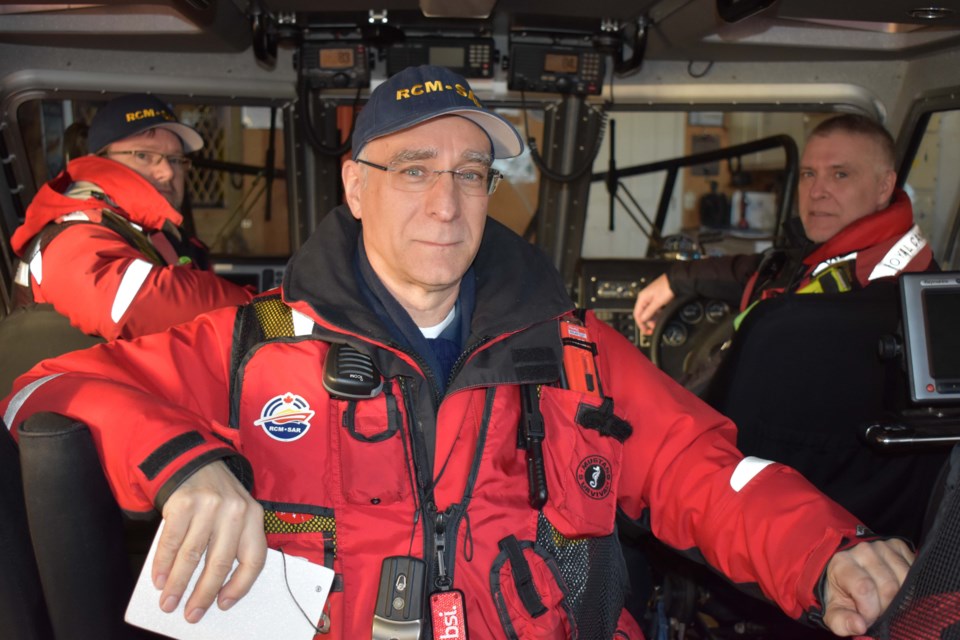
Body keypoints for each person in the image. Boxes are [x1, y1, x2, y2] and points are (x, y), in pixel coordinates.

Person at [2, 67, 912, 639]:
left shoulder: (574, 350)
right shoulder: (254, 344)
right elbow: (44, 387)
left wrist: (831, 553)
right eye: (414, 169)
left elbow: (710, 472)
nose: (447, 202)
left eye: (470, 174)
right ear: (356, 186)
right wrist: (187, 467)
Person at [633, 113, 934, 333]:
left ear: (884, 186)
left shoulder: (895, 293)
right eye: (808, 174)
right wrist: (677, 278)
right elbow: (763, 272)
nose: (816, 192)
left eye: (840, 174)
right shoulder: (832, 252)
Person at [7, 92, 253, 343]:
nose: (167, 172)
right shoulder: (75, 233)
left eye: (175, 160)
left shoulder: (156, 235)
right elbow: (133, 302)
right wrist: (261, 310)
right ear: (100, 161)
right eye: (143, 155)